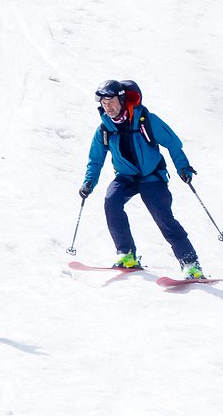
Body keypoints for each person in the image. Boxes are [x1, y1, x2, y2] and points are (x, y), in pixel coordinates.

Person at [79, 80, 204, 279]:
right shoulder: (104, 128)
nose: (107, 107)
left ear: (121, 99)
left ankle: (191, 264)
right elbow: (95, 160)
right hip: (125, 177)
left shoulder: (147, 120)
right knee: (112, 202)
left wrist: (183, 166)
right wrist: (89, 182)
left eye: (110, 102)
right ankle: (126, 254)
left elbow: (173, 143)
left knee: (163, 217)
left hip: (152, 177)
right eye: (103, 103)